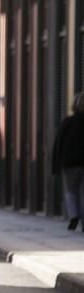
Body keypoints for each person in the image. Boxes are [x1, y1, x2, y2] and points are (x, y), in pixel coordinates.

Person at [52, 92, 84, 231]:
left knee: (71, 191)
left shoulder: (67, 122)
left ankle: (74, 215)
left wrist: (55, 166)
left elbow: (58, 144)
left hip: (70, 164)